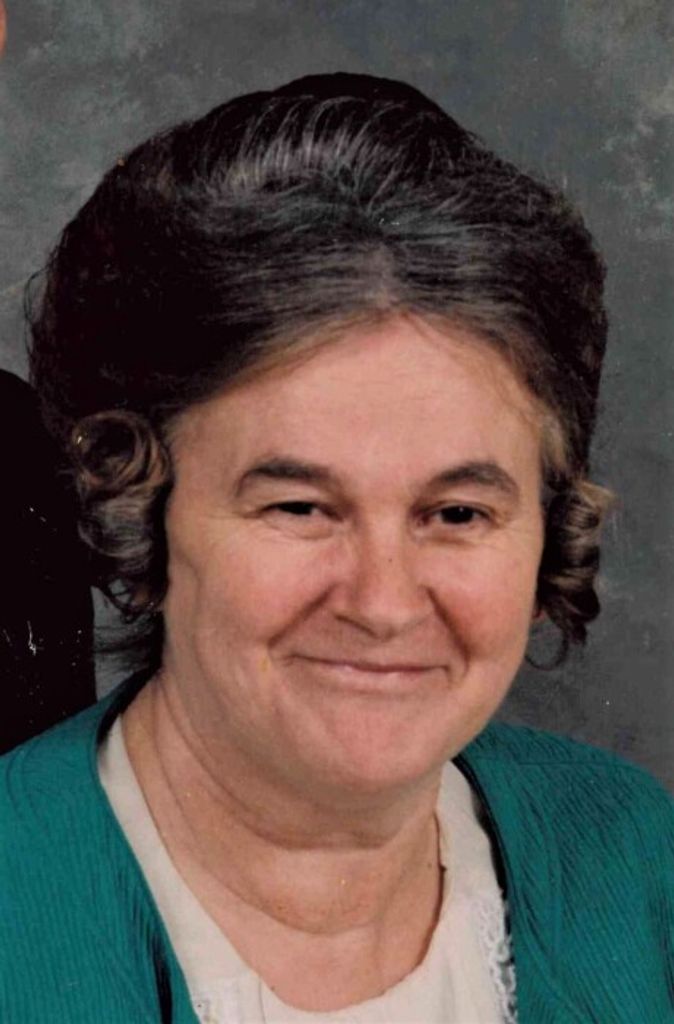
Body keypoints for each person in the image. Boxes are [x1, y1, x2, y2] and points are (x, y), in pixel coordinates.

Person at [2, 73, 672, 1024]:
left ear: (546, 524)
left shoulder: (637, 858)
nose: (383, 602)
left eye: (457, 514)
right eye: (300, 507)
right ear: (137, 510)